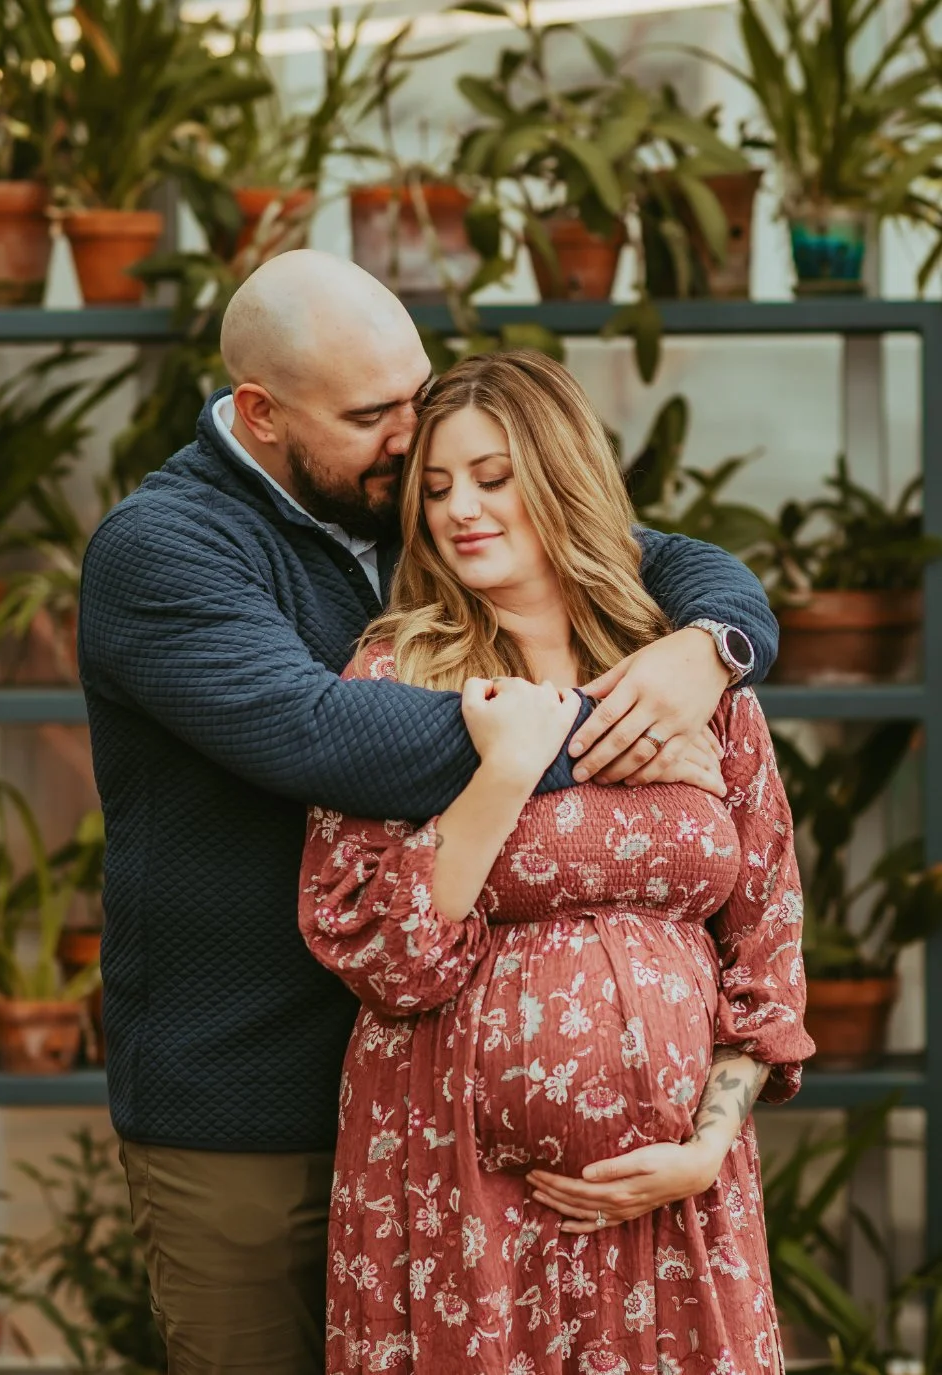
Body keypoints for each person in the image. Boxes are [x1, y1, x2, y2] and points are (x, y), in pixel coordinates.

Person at [78, 250, 780, 1375]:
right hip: (246, 1112)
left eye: (415, 395)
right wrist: (588, 734)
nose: (413, 442)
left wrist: (712, 648)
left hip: (454, 1139)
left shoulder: (398, 495)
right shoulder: (163, 552)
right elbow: (321, 737)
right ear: (260, 414)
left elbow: (638, 556)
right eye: (372, 415)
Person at [298, 350, 813, 1374]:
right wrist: (505, 769)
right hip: (456, 1190)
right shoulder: (393, 677)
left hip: (676, 1195)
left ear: (559, 479)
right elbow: (384, 955)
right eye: (436, 487)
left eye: (493, 477)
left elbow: (764, 950)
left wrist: (703, 1149)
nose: (460, 510)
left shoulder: (687, 675)